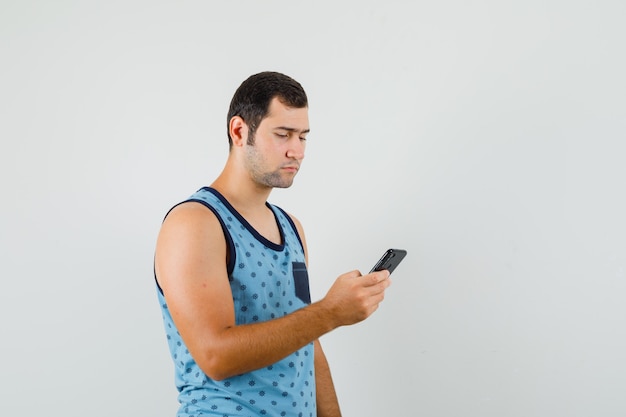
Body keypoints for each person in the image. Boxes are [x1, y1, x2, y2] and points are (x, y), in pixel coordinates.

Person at [154, 71, 391, 417]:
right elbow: (215, 356)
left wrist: (325, 317)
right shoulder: (194, 223)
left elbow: (307, 340)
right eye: (283, 135)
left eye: (303, 137)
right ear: (239, 131)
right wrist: (330, 312)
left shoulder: (291, 227)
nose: (297, 151)